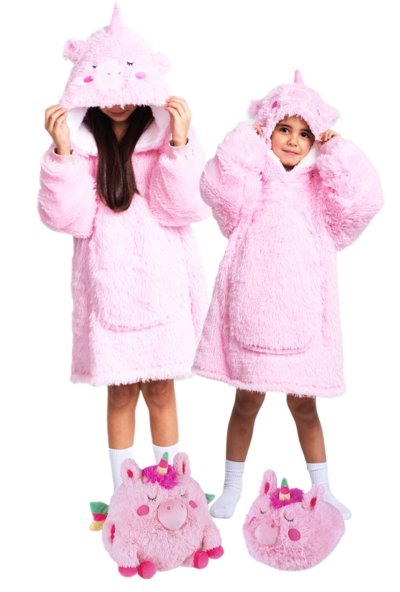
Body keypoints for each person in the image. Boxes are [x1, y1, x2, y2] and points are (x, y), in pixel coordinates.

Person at [192, 71, 383, 520]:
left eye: (305, 133)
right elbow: (217, 190)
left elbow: (364, 204)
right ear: (267, 130)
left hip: (304, 317)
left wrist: (341, 154)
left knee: (305, 405)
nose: (294, 141)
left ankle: (324, 489)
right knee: (246, 402)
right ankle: (232, 486)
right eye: (284, 129)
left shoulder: (321, 189)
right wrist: (243, 143)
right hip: (252, 310)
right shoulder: (253, 182)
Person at [38, 5, 209, 491]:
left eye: (127, 88)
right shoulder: (82, 145)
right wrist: (63, 151)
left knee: (161, 391)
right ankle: (125, 494)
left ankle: (172, 489)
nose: (117, 102)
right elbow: (66, 218)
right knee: (119, 395)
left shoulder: (164, 138)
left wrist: (179, 143)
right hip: (109, 290)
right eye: (105, 89)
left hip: (163, 288)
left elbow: (186, 207)